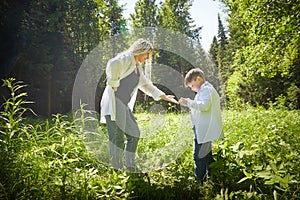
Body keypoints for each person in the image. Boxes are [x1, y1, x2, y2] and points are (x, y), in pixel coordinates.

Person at [100, 38, 178, 172]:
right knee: (117, 137)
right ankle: (117, 170)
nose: (148, 58)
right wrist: (113, 84)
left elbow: (146, 85)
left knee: (134, 134)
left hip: (123, 105)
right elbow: (113, 63)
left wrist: (164, 96)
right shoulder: (125, 58)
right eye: (147, 54)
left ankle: (130, 166)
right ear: (140, 50)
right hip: (114, 103)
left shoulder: (137, 67)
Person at [179, 68, 223, 182]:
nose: (192, 89)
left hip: (205, 129)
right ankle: (213, 178)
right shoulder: (203, 90)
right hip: (201, 128)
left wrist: (188, 102)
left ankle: (199, 181)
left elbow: (204, 106)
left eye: (192, 85)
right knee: (207, 155)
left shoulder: (206, 89)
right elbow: (199, 106)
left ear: (198, 79)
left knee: (199, 156)